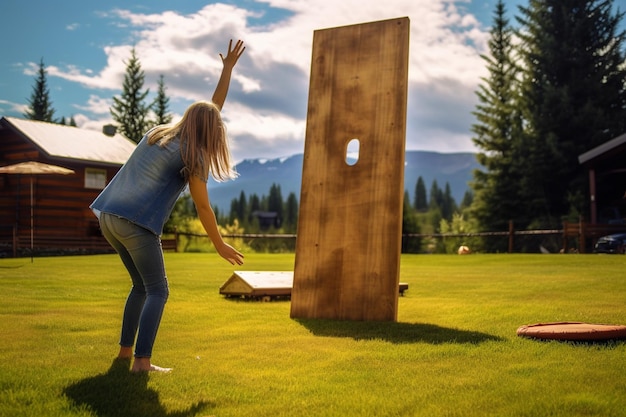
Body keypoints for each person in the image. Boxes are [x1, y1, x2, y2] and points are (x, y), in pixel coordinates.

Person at [90, 39, 246, 373]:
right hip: (136, 223)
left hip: (108, 216)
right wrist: (219, 244)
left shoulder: (159, 133)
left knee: (140, 287)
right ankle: (142, 362)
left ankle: (124, 354)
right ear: (211, 131)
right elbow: (203, 208)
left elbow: (209, 111)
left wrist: (227, 71)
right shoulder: (195, 154)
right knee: (158, 291)